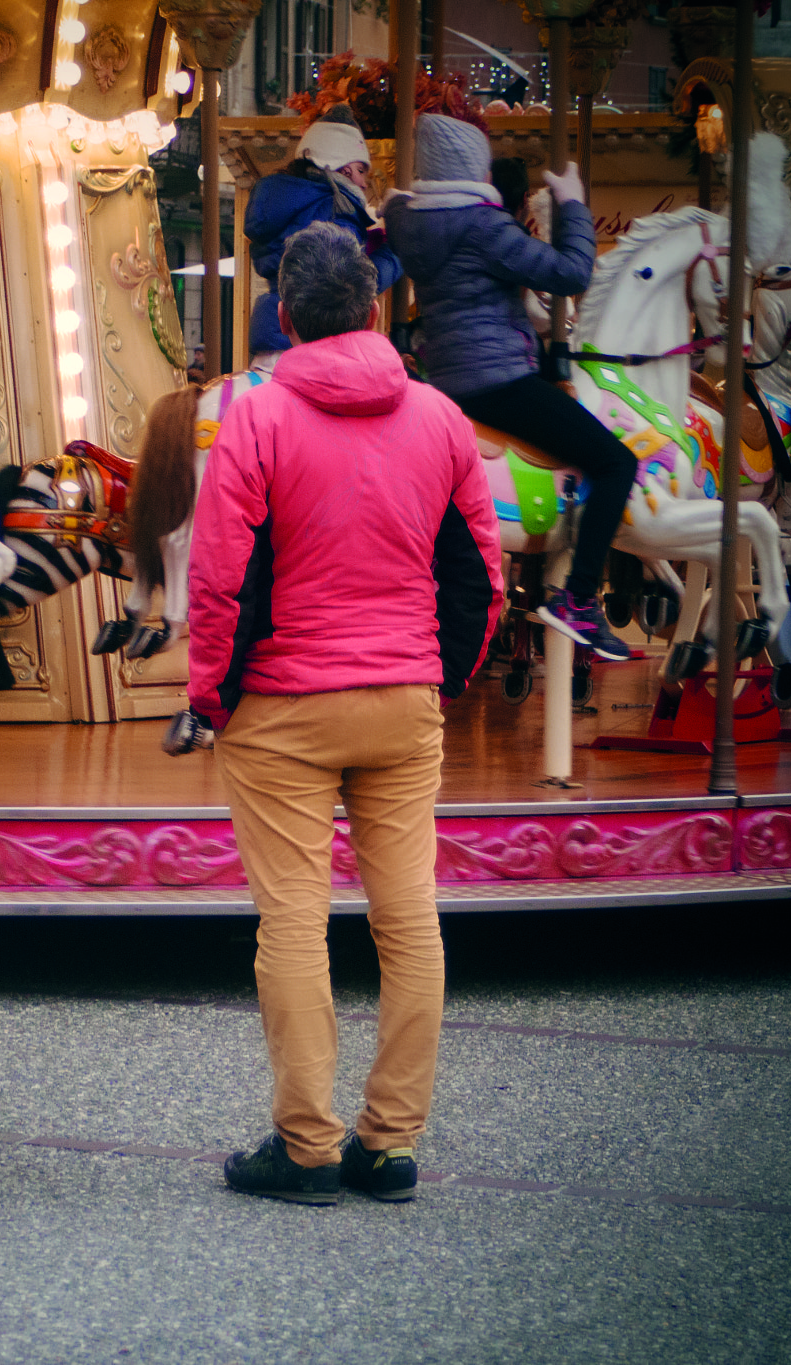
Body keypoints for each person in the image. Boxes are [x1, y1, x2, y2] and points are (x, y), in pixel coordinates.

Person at [187, 222, 502, 1206]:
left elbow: (217, 575)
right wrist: (441, 675)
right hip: (400, 699)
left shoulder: (256, 416)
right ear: (375, 310)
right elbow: (478, 570)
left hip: (284, 704)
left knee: (291, 918)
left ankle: (308, 1144)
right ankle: (390, 1142)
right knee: (408, 919)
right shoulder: (441, 418)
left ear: (281, 314)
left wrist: (210, 693)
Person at [384, 114, 636, 660]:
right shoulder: (485, 226)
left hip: (444, 380)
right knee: (617, 462)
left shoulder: (406, 218)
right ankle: (580, 599)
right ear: (474, 168)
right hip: (498, 378)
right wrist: (571, 203)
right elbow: (570, 274)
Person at [244, 105, 402, 362]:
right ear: (342, 168)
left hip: (275, 334)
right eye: (361, 170)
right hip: (312, 341)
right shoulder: (333, 208)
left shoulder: (295, 204)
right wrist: (397, 247)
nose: (364, 182)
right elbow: (351, 286)